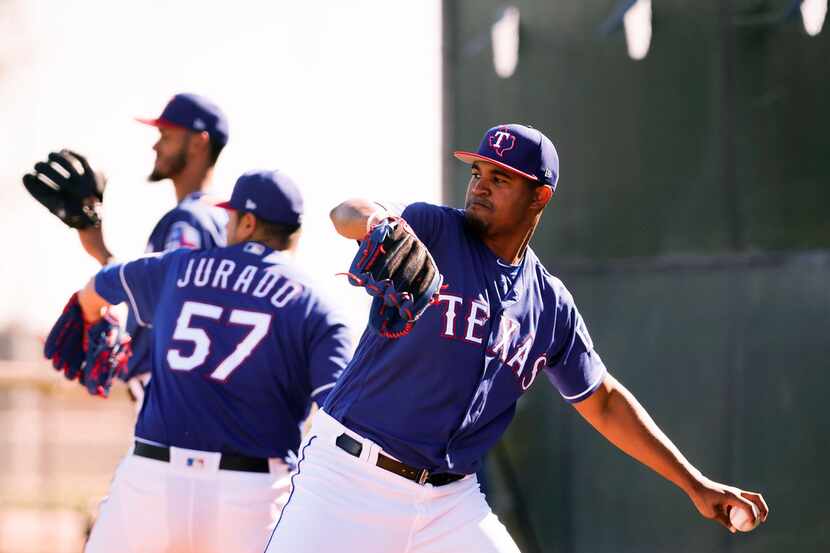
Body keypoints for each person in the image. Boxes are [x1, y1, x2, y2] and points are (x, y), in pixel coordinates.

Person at [263, 124, 769, 552]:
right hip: (349, 480)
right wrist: (374, 222)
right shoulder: (433, 229)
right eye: (478, 172)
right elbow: (347, 211)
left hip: (449, 504)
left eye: (500, 178)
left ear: (540, 195)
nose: (480, 186)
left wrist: (694, 484)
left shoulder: (548, 305)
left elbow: (604, 401)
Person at [66, 169, 353, 553]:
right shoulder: (316, 305)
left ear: (248, 222)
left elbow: (97, 288)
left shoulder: (178, 267)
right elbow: (342, 418)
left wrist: (88, 316)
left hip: (151, 482)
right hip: (252, 494)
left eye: (231, 217)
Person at [81, 92, 231, 402]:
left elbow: (175, 302)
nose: (156, 145)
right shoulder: (227, 219)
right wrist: (100, 250)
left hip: (171, 392)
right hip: (204, 391)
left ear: (198, 142)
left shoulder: (186, 220)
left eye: (167, 135)